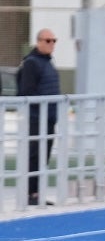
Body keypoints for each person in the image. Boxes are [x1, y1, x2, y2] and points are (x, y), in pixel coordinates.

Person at [16, 28, 61, 206]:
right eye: (48, 40)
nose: (51, 44)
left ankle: (37, 192)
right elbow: (26, 92)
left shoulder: (48, 63)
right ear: (39, 42)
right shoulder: (32, 63)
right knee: (34, 155)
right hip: (36, 119)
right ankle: (30, 193)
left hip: (49, 118)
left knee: (43, 156)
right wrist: (40, 109)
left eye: (54, 40)